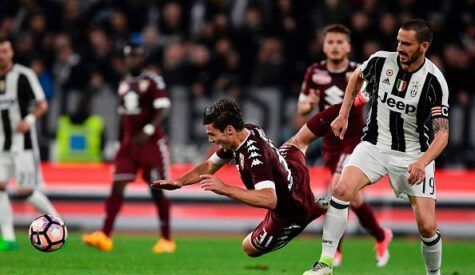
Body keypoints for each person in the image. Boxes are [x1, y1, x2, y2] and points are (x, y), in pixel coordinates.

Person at [301, 19, 453, 275]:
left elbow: (442, 135)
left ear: (424, 46)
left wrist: (422, 162)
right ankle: (325, 261)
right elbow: (355, 79)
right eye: (398, 41)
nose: (400, 48)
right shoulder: (381, 62)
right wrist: (344, 113)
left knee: (428, 226)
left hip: (414, 154)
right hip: (374, 145)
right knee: (342, 189)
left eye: (406, 44)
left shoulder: (434, 81)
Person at [152, 98, 328, 257]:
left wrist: (225, 189)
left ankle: (314, 210)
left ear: (229, 130)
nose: (210, 140)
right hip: (293, 173)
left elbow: (269, 199)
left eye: (212, 134)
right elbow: (209, 165)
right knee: (299, 140)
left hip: (290, 208)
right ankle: (346, 107)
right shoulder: (244, 132)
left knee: (248, 248)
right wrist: (179, 181)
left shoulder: (255, 158)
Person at [295, 24, 392, 267]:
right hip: (330, 142)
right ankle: (381, 235)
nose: (335, 46)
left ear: (348, 46)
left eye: (340, 42)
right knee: (354, 199)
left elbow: (369, 98)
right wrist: (310, 104)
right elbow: (302, 108)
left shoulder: (358, 72)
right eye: (330, 42)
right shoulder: (314, 72)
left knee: (337, 187)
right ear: (324, 46)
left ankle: (333, 251)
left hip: (355, 139)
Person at [82, 43, 174, 254]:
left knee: (157, 189)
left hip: (151, 143)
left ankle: (166, 239)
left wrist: (149, 129)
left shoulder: (152, 80)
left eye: (136, 56)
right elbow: (123, 116)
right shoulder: (123, 83)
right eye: (129, 57)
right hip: (129, 145)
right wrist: (118, 141)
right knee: (117, 186)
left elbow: (163, 108)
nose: (133, 60)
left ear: (143, 58)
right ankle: (104, 236)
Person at [0, 37, 60, 251]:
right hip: (1, 146)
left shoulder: (24, 75)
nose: (1, 55)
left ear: (12, 52)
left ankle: (58, 223)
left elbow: (42, 104)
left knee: (25, 191)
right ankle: (8, 238)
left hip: (22, 144)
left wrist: (29, 120)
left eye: (5, 50)